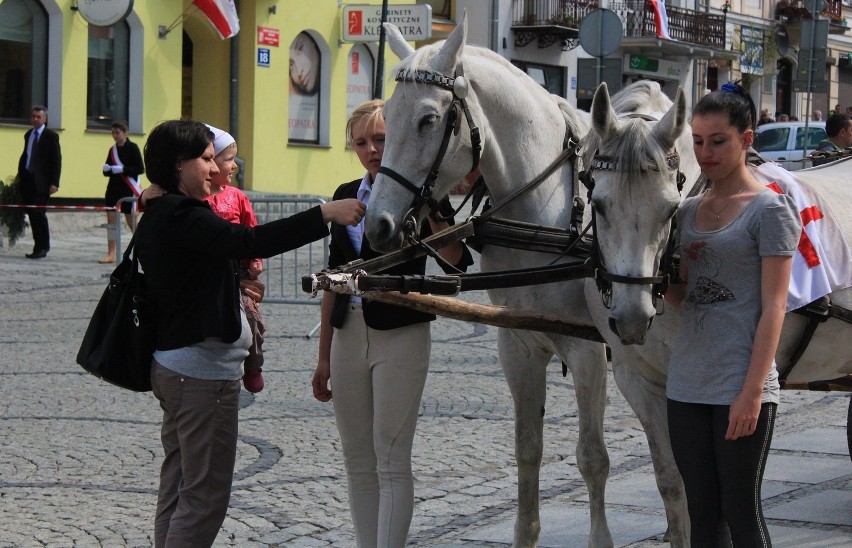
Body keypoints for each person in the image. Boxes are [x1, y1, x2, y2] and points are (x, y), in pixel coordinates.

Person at [136, 119, 364, 547]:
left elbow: (211, 262)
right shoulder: (181, 214)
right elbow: (249, 239)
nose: (216, 168)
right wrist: (324, 214)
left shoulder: (166, 211)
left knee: (179, 487)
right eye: (205, 160)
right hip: (200, 375)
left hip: (182, 370)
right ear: (177, 164)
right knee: (203, 497)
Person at [311, 99, 473, 547]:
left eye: (380, 139)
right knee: (357, 459)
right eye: (362, 142)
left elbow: (458, 262)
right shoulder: (347, 192)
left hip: (401, 332)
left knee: (391, 457)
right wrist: (323, 357)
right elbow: (333, 282)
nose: (372, 150)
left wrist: (435, 216)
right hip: (348, 331)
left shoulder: (419, 195)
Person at [665, 82, 801, 547]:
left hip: (740, 385)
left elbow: (774, 307)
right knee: (701, 515)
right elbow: (686, 297)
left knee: (740, 510)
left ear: (746, 140)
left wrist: (750, 393)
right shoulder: (684, 214)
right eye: (698, 142)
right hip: (686, 384)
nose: (706, 153)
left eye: (718, 140)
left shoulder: (770, 210)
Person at [202, 124, 266, 393]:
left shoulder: (237, 197)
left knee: (252, 320)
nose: (234, 166)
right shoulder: (197, 198)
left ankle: (254, 363)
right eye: (228, 159)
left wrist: (255, 261)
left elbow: (252, 232)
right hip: (210, 274)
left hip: (239, 274)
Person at [17, 105, 61, 259]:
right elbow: (26, 156)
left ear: (45, 119)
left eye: (39, 117)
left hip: (42, 182)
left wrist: (54, 182)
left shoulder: (51, 136)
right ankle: (37, 246)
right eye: (33, 116)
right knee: (32, 214)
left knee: (38, 213)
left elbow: (56, 160)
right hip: (28, 180)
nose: (35, 119)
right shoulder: (29, 134)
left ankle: (43, 246)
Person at [100, 120, 144, 263]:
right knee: (111, 221)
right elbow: (107, 171)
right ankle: (111, 253)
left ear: (125, 133)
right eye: (113, 133)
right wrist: (106, 169)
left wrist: (123, 169)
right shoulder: (112, 150)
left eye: (117, 133)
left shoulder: (132, 148)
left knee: (131, 220)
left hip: (128, 189)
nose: (115, 136)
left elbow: (140, 169)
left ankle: (143, 250)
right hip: (113, 188)